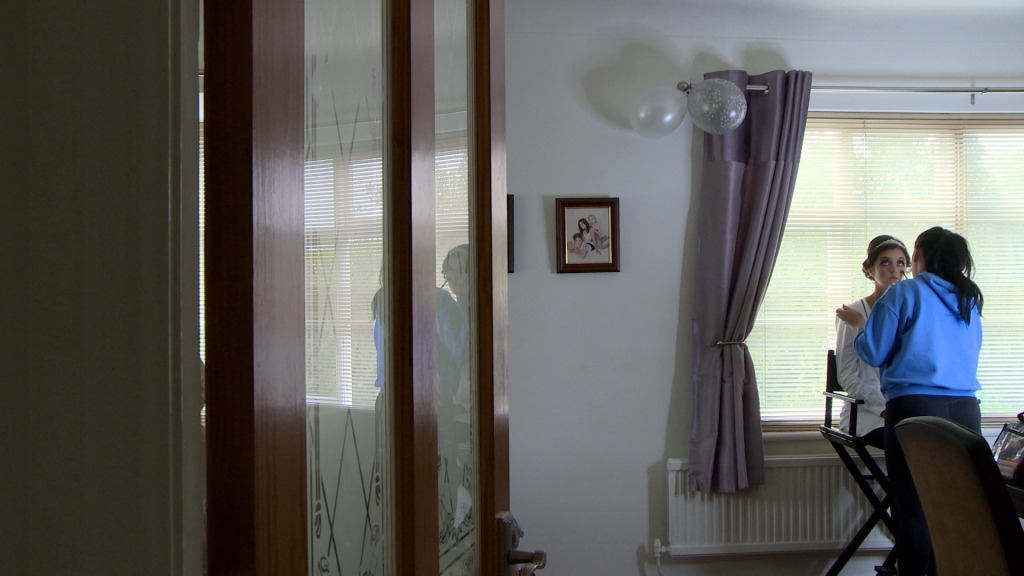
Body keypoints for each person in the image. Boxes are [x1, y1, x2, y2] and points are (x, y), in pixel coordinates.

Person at [836, 226, 983, 576]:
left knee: (914, 509)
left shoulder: (904, 292)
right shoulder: (969, 298)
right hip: (966, 411)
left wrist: (862, 327)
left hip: (916, 409)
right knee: (955, 509)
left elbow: (873, 352)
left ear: (916, 256)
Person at [834, 235, 909, 445]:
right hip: (865, 413)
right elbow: (847, 376)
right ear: (870, 270)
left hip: (903, 407)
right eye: (885, 263)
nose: (894, 270)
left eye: (900, 263)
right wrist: (883, 407)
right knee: (906, 443)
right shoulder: (852, 313)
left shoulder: (909, 311)